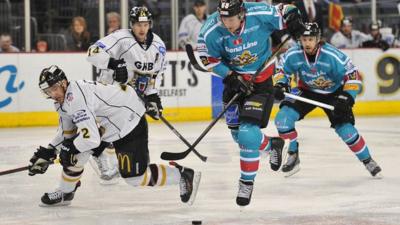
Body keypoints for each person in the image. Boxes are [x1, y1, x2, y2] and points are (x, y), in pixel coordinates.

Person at [28, 65, 201, 206]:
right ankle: (66, 192)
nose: (53, 94)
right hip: (111, 125)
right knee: (76, 152)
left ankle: (182, 174)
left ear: (64, 83)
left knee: (135, 178)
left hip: (130, 121)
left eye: (54, 89)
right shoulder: (62, 102)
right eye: (48, 91)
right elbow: (67, 133)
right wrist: (49, 151)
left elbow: (91, 138)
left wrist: (68, 149)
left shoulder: (76, 98)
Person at [197, 0, 305, 206]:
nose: (227, 23)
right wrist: (230, 77)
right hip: (234, 80)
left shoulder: (259, 13)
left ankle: (246, 183)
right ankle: (272, 143)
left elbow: (287, 10)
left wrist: (294, 18)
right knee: (238, 135)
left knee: (247, 133)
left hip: (261, 80)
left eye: (231, 19)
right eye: (224, 18)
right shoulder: (211, 29)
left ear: (242, 14)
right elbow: (207, 59)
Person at [273, 22, 382, 178]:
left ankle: (367, 160)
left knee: (346, 130)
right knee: (282, 120)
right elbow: (281, 69)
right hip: (306, 91)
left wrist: (347, 97)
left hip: (334, 93)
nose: (307, 43)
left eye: (310, 39)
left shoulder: (332, 55)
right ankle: (293, 155)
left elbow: (353, 75)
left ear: (318, 39)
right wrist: (281, 83)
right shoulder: (293, 53)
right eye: (304, 39)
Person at [86, 6, 169, 182]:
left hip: (132, 99)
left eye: (145, 24)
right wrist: (113, 63)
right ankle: (98, 157)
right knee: (103, 129)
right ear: (132, 24)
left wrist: (153, 96)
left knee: (128, 129)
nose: (142, 28)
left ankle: (125, 163)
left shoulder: (159, 46)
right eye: (138, 24)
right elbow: (92, 52)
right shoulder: (120, 38)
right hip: (109, 93)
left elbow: (155, 75)